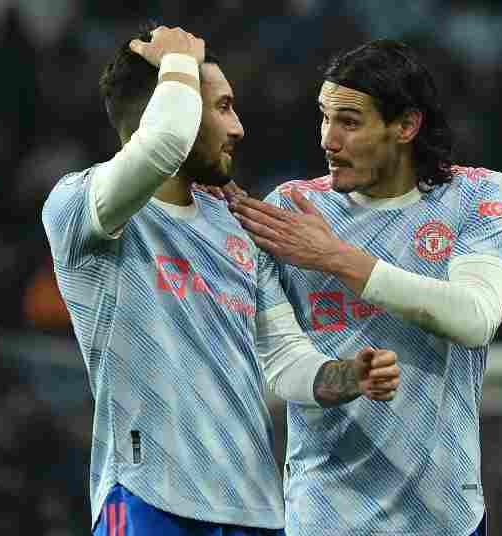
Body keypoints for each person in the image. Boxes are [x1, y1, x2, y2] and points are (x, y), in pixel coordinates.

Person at [40, 26, 401, 536]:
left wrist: (348, 377)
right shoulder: (82, 208)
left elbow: (284, 357)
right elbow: (164, 142)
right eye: (223, 107)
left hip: (255, 511)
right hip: (150, 498)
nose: (239, 128)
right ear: (173, 103)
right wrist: (179, 62)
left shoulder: (233, 223)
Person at [228, 39, 502, 536]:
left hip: (444, 513)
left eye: (349, 121)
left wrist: (338, 259)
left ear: (405, 126)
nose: (327, 140)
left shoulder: (477, 194)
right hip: (326, 512)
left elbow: (475, 318)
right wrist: (348, 377)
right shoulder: (291, 211)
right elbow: (280, 366)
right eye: (324, 117)